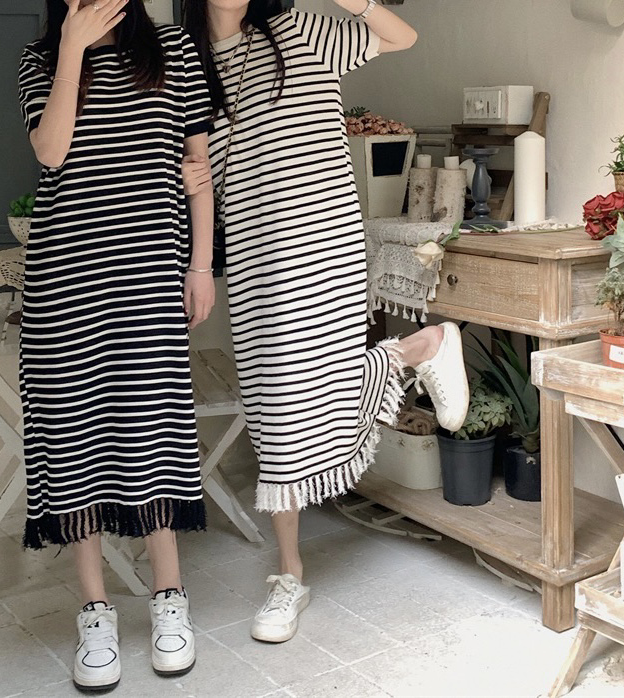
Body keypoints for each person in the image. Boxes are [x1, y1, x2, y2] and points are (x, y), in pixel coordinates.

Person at [182, 0, 469, 645]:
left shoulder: (302, 31)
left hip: (323, 241)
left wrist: (359, 2)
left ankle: (289, 574)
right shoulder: (186, 58)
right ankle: (422, 347)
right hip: (253, 255)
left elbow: (403, 35)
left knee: (314, 384)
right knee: (271, 405)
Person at [17, 0, 214, 689]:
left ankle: (169, 598)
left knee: (153, 431)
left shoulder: (173, 51)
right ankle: (94, 611)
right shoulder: (41, 59)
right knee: (72, 436)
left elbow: (197, 163)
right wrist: (71, 49)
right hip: (64, 281)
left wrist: (200, 266)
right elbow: (51, 151)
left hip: (149, 278)